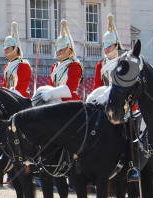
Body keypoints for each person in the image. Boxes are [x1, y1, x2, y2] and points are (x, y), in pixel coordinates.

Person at [90, 14, 139, 182]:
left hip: (122, 103)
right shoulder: (100, 65)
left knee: (130, 129)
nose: (107, 49)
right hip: (105, 103)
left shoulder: (123, 61)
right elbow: (97, 85)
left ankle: (132, 165)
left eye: (110, 46)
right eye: (105, 46)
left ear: (116, 45)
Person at [33, 19, 83, 105]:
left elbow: (70, 88)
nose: (58, 52)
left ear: (69, 50)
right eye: (57, 50)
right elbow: (51, 86)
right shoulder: (54, 66)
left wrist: (51, 94)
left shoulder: (74, 65)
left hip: (70, 102)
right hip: (54, 101)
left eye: (61, 50)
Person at [2, 22, 31, 98]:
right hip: (9, 98)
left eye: (8, 48)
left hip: (20, 99)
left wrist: (5, 95)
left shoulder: (23, 65)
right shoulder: (6, 67)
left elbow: (21, 89)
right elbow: (5, 85)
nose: (5, 51)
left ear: (15, 49)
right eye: (5, 49)